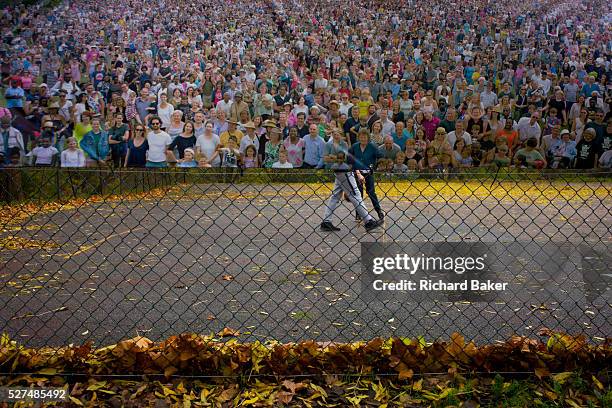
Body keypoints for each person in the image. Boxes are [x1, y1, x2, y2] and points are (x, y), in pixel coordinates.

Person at [320, 142, 383, 232]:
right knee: (355, 195)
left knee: (336, 196)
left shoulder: (349, 146)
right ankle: (368, 221)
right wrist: (359, 173)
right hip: (345, 171)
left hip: (341, 170)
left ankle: (326, 221)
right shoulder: (351, 147)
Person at [349, 128, 385, 221]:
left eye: (365, 137)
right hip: (357, 173)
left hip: (369, 173)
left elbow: (380, 156)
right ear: (358, 137)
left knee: (371, 192)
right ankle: (358, 214)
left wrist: (376, 166)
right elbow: (349, 158)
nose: (363, 139)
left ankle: (379, 211)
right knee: (358, 194)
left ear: (368, 138)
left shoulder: (372, 146)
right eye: (361, 137)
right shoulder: (354, 146)